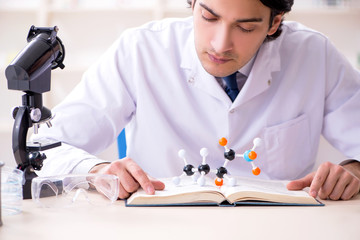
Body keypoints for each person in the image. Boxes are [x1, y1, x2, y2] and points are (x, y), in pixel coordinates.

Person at [34, 0, 360, 200]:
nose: (220, 44)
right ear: (192, 3)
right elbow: (42, 148)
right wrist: (97, 170)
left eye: (245, 27)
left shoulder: (315, 55)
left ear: (275, 22)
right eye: (209, 17)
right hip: (160, 230)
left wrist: (354, 171)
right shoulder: (140, 50)